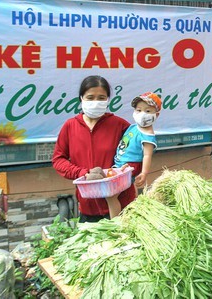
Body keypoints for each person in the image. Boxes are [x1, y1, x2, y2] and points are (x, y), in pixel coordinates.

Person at [52, 75, 136, 223]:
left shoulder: (121, 126)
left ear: (108, 100)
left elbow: (137, 155)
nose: (95, 102)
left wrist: (124, 172)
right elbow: (59, 159)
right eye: (90, 97)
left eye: (101, 98)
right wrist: (83, 173)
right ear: (81, 99)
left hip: (121, 205)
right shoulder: (70, 126)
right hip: (88, 207)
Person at [107, 92, 161, 218]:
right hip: (119, 164)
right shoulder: (133, 127)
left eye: (148, 111)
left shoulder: (148, 135)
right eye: (139, 110)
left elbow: (147, 155)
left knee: (112, 195)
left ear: (156, 115)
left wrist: (144, 173)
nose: (142, 114)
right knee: (123, 195)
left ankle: (114, 221)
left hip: (130, 166)